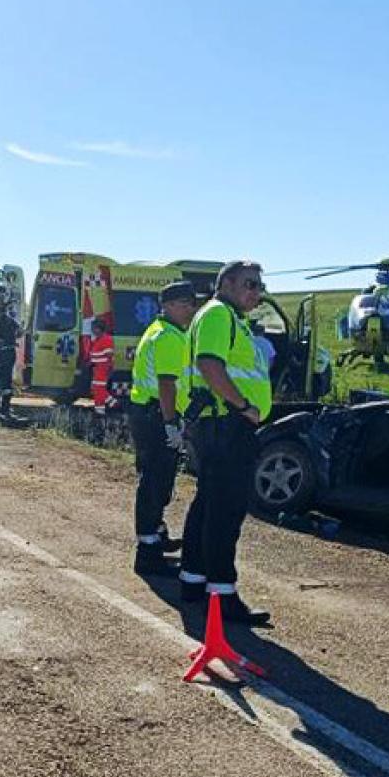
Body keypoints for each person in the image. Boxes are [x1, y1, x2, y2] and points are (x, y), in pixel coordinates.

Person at [178, 261, 273, 624]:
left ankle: (193, 581)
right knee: (226, 510)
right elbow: (209, 365)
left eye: (259, 285)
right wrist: (245, 406)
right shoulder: (219, 315)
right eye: (249, 284)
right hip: (226, 423)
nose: (256, 291)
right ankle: (222, 593)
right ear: (227, 283)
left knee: (208, 503)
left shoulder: (226, 318)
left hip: (218, 423)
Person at [128, 282, 198, 576]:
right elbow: (166, 384)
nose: (190, 310)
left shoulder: (161, 330)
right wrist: (171, 424)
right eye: (183, 304)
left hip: (148, 413)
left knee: (156, 479)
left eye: (192, 304)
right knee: (156, 482)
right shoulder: (168, 337)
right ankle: (148, 551)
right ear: (167, 305)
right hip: (157, 416)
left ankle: (156, 535)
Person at [87, 310, 115, 408]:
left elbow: (109, 355)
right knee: (97, 390)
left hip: (102, 369)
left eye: (94, 329)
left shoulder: (106, 339)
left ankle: (113, 404)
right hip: (96, 369)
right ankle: (100, 409)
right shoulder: (97, 340)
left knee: (99, 389)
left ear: (99, 329)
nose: (92, 331)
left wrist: (108, 369)